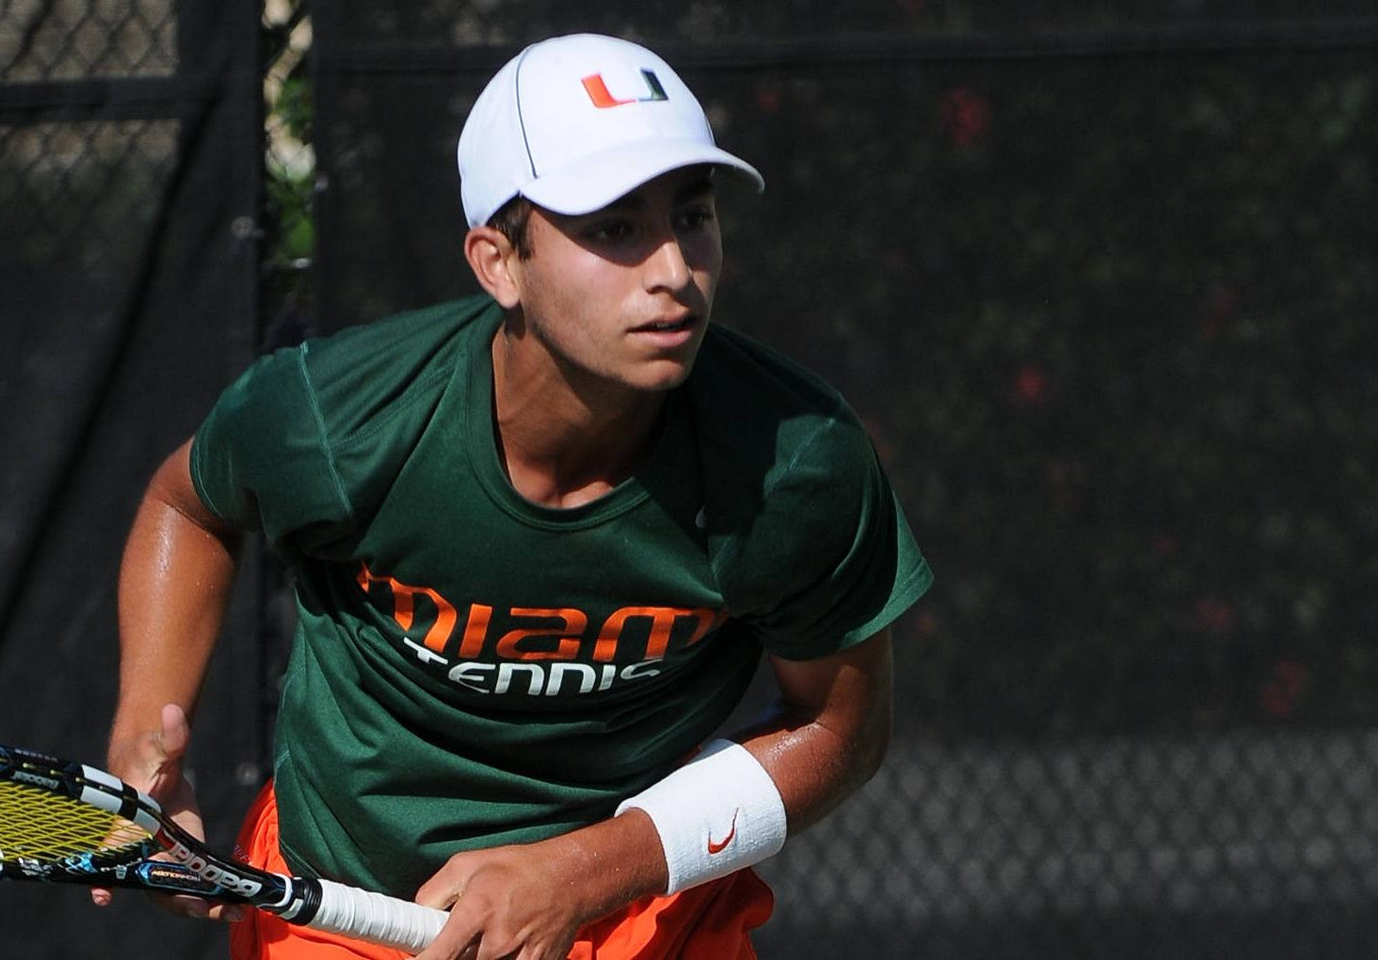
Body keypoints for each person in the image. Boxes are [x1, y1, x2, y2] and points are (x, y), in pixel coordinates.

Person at [98, 33, 932, 960]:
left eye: (691, 216)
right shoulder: (335, 420)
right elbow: (191, 504)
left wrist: (580, 873)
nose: (672, 269)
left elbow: (841, 730)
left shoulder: (797, 461)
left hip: (642, 912)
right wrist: (144, 733)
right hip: (338, 906)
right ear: (498, 261)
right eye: (615, 226)